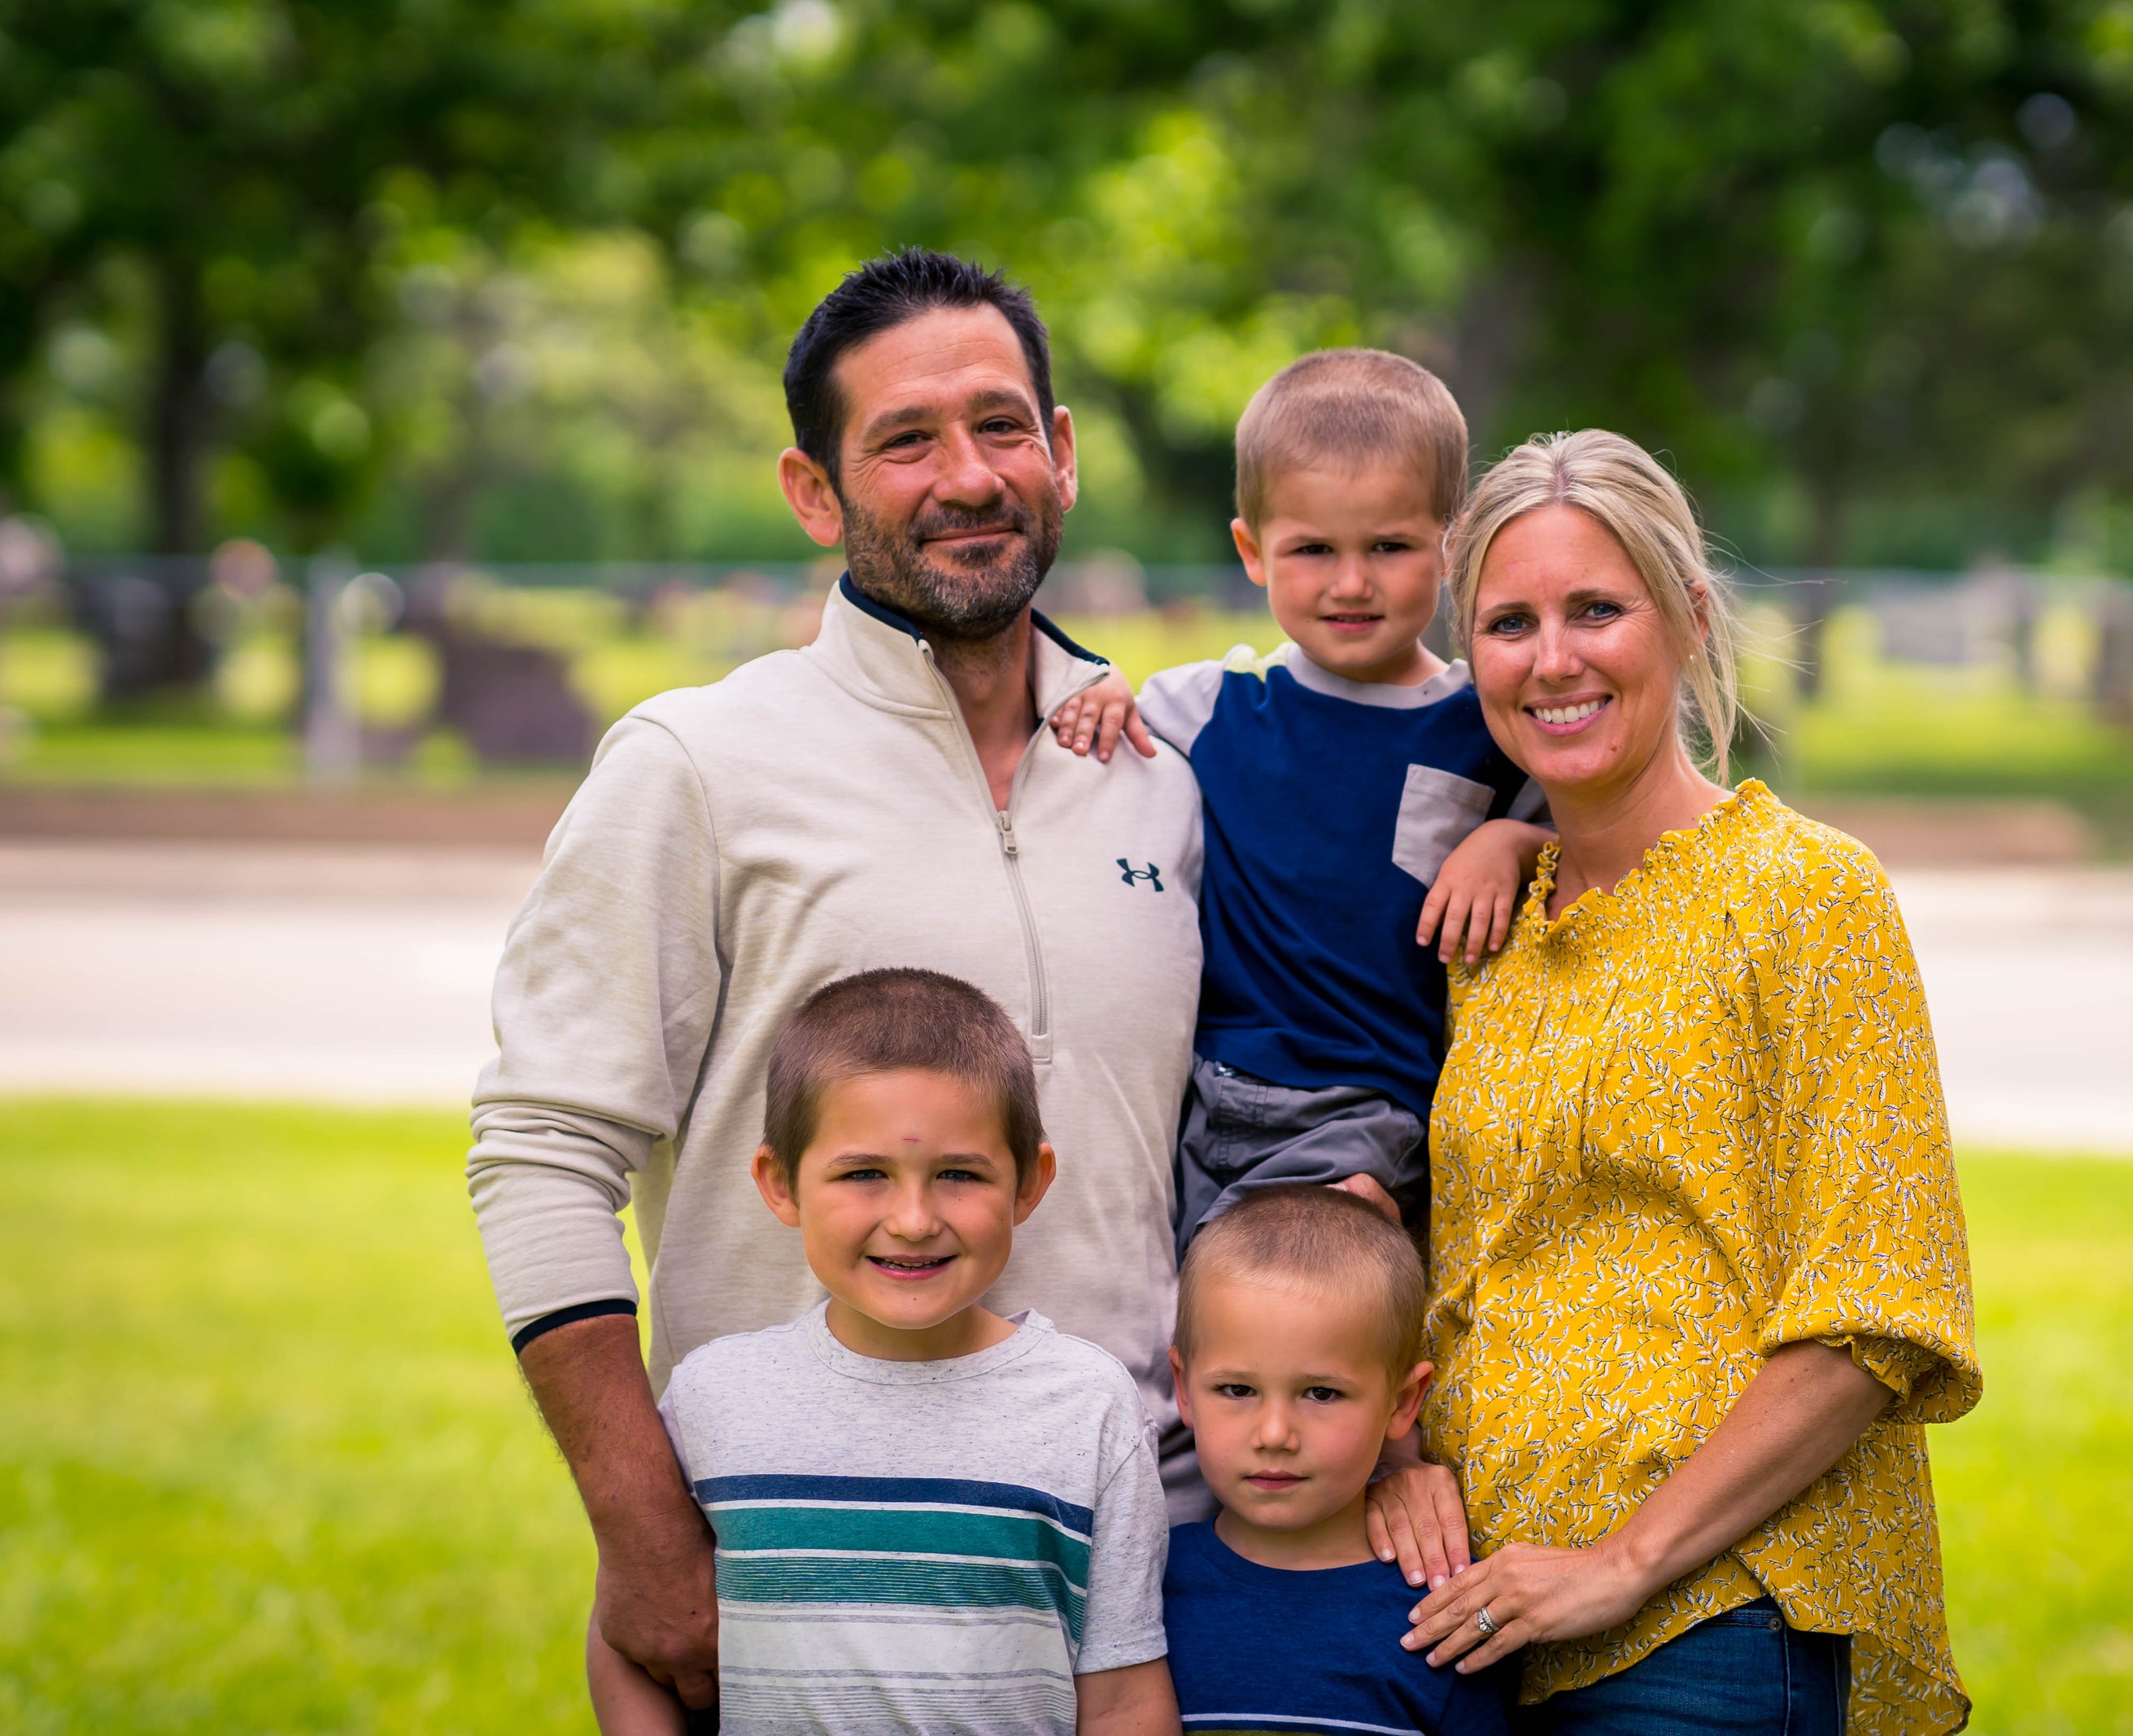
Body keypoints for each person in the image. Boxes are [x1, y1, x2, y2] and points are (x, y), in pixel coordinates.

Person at [465, 247, 1206, 1714]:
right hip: (804, 1582)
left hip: (1148, 1574)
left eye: (1002, 426)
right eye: (906, 440)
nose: (970, 475)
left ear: (1062, 455)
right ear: (816, 493)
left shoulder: (1167, 771)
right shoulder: (697, 764)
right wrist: (645, 1526)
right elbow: (541, 1152)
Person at [1372, 431, 1983, 1736]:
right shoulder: (1493, 922)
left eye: (1598, 608)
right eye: (1509, 621)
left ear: (1691, 617)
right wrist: (1402, 1454)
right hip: (1480, 1628)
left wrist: (1623, 1561)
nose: (1553, 659)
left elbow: (1874, 1308)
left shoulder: (1807, 894)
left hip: (1711, 1615)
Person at [1049, 349, 1549, 1254]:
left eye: (1388, 547)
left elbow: (1580, 830)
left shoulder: (1483, 721)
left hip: (1372, 1102)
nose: (1349, 582)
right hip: (1212, 1092)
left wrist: (1510, 840)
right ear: (1250, 551)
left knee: (1326, 1275)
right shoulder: (1213, 707)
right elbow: (1078, 713)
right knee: (1210, 1304)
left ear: (1450, 545)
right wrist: (1102, 683)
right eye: (1312, 549)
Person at [589, 968, 1176, 1735]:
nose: (912, 1219)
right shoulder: (714, 1397)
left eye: (958, 1175)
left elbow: (1126, 1697)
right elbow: (627, 1639)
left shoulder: (1087, 1405)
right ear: (780, 1184)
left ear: (1030, 1182)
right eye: (865, 1174)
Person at [1163, 1185, 1508, 1736]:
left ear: (1401, 1404)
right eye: (1236, 1389)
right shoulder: (1142, 1584)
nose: (1274, 1434)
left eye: (1320, 1394)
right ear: (1183, 1387)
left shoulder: (1442, 1624)